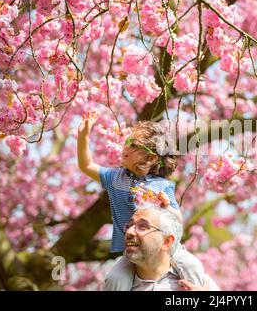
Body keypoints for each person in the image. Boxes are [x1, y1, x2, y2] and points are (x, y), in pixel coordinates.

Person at [77, 111, 206, 290]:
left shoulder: (161, 186)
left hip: (165, 247)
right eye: (127, 141)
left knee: (192, 265)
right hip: (132, 250)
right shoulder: (115, 177)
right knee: (115, 279)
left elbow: (178, 220)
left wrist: (167, 207)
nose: (126, 146)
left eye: (134, 144)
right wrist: (83, 138)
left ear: (151, 158)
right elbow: (86, 165)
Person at [125, 204, 219, 291]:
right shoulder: (115, 283)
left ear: (166, 242)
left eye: (142, 226)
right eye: (129, 225)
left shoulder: (201, 285)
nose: (129, 231)